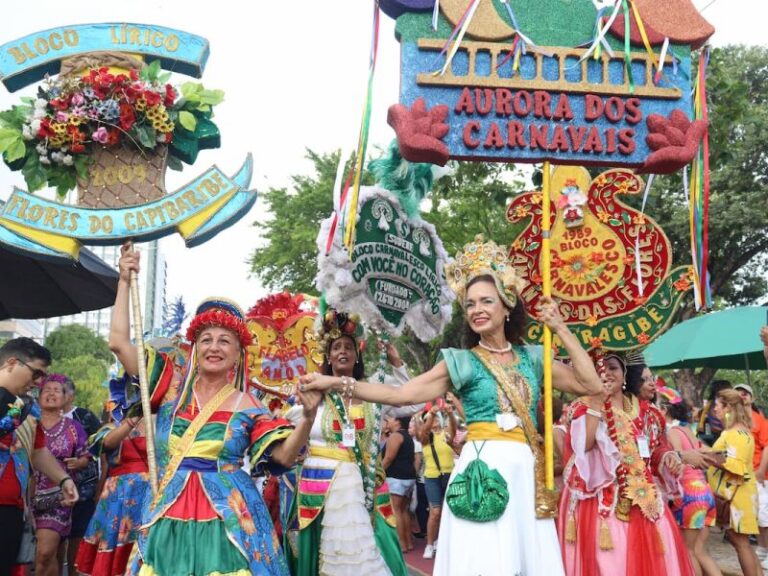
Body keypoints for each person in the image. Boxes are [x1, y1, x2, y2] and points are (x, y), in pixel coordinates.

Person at [301, 235, 604, 576]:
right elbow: (401, 396)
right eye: (470, 304)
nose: (477, 310)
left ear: (506, 306)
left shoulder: (532, 358)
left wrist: (559, 327)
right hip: (482, 473)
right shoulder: (460, 362)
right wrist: (334, 382)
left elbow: (591, 385)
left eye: (486, 301)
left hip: (525, 473)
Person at [110, 245, 321, 576]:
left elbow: (281, 457)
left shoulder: (249, 406)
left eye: (225, 341)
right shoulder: (169, 390)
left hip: (231, 523)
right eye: (206, 339)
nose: (214, 347)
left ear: (238, 354)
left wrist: (307, 419)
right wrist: (123, 281)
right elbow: (118, 343)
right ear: (195, 347)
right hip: (169, 517)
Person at [290, 308, 408, 576]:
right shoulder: (313, 393)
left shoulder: (373, 390)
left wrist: (397, 362)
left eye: (348, 347)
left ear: (357, 355)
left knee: (375, 553)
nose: (342, 351)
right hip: (321, 490)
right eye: (336, 347)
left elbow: (413, 403)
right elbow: (288, 427)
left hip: (367, 489)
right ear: (328, 356)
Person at [557, 353, 694, 576]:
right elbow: (585, 446)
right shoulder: (582, 407)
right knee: (612, 564)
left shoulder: (648, 411)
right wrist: (596, 400)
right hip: (601, 502)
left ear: (624, 375)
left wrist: (668, 457)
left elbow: (657, 447)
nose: (605, 373)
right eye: (598, 368)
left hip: (644, 498)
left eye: (612, 368)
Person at [0, 338, 78, 576]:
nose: (38, 383)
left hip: (12, 511)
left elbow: (37, 450)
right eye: (35, 374)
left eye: (42, 377)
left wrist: (64, 480)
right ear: (12, 362)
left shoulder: (28, 409)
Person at [74, 409, 150, 576]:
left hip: (149, 493)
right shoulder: (111, 427)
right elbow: (106, 443)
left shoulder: (162, 424)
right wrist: (133, 419)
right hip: (118, 496)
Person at [32, 375, 90, 576]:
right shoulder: (27, 422)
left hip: (59, 497)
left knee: (45, 553)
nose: (51, 394)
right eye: (47, 390)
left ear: (66, 398)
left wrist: (78, 462)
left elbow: (86, 456)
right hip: (25, 494)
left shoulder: (74, 428)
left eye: (57, 390)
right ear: (38, 396)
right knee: (27, 555)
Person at [661, 389, 721, 576]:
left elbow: (679, 460)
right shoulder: (688, 430)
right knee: (699, 551)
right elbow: (714, 454)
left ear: (664, 409)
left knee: (687, 552)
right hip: (705, 493)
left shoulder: (671, 432)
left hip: (689, 496)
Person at [707, 389, 761, 576]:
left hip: (738, 496)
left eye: (717, 406)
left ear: (728, 407)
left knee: (741, 545)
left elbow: (736, 466)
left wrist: (709, 458)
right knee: (742, 543)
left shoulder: (734, 434)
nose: (715, 410)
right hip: (742, 494)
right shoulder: (740, 431)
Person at [59, 374, 103, 575]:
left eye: (61, 391)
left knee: (77, 536)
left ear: (71, 395)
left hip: (83, 488)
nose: (56, 395)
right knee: (54, 540)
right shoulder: (42, 417)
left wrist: (100, 484)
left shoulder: (85, 416)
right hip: (52, 490)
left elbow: (101, 448)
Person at [733, 382, 768, 569]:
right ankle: (762, 549)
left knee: (764, 515)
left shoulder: (759, 420)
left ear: (751, 398)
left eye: (745, 393)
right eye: (738, 393)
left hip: (759, 475)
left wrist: (761, 471)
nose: (742, 396)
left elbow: (767, 446)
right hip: (742, 476)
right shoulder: (733, 421)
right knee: (754, 516)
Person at [418, 401, 456, 560]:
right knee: (435, 512)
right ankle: (429, 544)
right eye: (431, 420)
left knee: (449, 512)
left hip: (449, 475)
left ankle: (443, 541)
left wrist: (450, 413)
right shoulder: (426, 438)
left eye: (435, 419)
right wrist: (431, 414)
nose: (434, 423)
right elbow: (424, 431)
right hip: (432, 477)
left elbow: (453, 429)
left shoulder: (445, 433)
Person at [382, 415, 417, 553]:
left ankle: (401, 544)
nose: (387, 421)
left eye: (389, 418)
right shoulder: (407, 436)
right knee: (403, 510)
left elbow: (389, 458)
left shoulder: (395, 436)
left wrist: (377, 473)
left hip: (397, 477)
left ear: (397, 421)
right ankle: (408, 542)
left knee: (396, 510)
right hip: (408, 476)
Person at [698, 380, 733, 446]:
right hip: (711, 432)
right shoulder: (711, 404)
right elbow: (704, 414)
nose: (715, 409)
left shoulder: (731, 404)